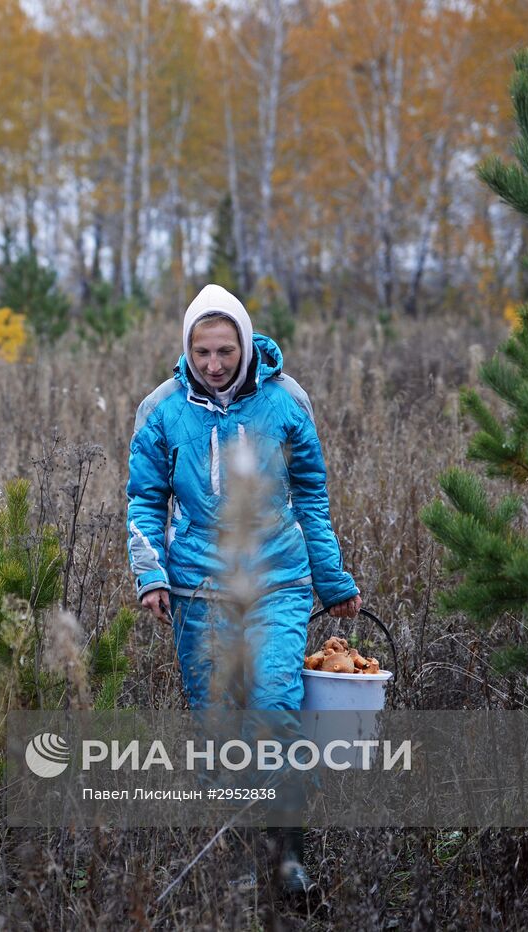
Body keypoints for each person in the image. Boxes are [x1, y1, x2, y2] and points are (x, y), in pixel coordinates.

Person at [126, 282, 360, 896]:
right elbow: (145, 502)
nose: (213, 364)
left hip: (279, 582)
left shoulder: (287, 403)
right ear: (187, 348)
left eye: (226, 350)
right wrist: (151, 575)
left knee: (277, 707)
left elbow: (311, 495)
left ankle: (290, 861)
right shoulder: (162, 410)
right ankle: (233, 859)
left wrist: (332, 579)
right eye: (201, 352)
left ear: (247, 343)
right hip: (199, 587)